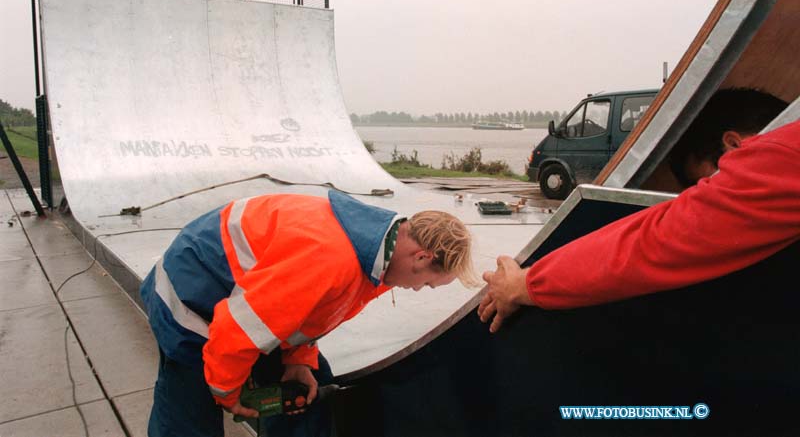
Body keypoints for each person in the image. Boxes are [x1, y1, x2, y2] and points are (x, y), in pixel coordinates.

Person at [140, 190, 474, 436]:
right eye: (427, 284)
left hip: (243, 305)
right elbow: (237, 327)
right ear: (421, 258)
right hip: (190, 300)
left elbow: (304, 312)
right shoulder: (331, 258)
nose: (416, 290)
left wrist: (299, 360)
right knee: (187, 418)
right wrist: (227, 391)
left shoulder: (378, 259)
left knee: (306, 393)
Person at [478, 89, 797, 332]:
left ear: (734, 145)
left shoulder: (783, 158)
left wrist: (525, 284)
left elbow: (657, 243)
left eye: (711, 184)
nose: (710, 198)